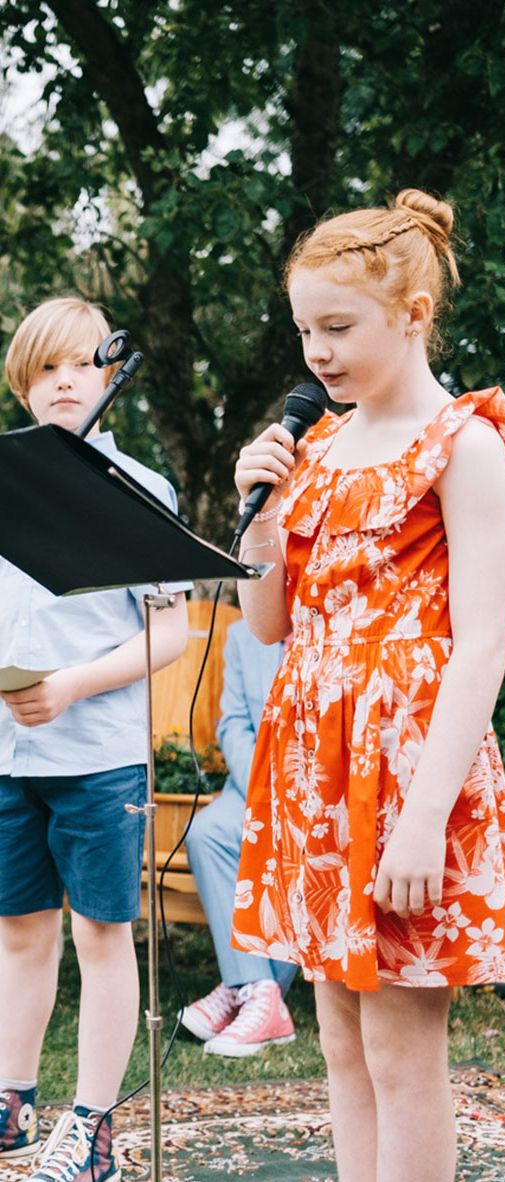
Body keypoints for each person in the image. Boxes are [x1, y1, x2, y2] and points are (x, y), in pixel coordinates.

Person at [230, 189, 505, 1182]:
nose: (316, 351)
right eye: (304, 328)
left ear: (411, 313)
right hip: (315, 776)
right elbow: (270, 625)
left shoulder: (464, 444)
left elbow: (481, 645)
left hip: (409, 782)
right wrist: (260, 519)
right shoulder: (315, 448)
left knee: (403, 1058)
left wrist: (420, 819)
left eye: (337, 327)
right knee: (343, 1050)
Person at [0, 297, 191, 1182]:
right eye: (46, 366)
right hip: (9, 757)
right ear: (21, 383)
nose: (65, 380)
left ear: (112, 373)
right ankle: (12, 1101)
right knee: (17, 934)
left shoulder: (139, 489)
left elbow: (171, 633)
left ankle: (92, 1128)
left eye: (82, 362)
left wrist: (72, 686)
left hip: (101, 755)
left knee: (101, 936)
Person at [182, 617, 296, 1056]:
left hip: (322, 787)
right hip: (254, 785)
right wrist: (263, 791)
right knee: (207, 833)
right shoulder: (242, 636)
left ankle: (243, 989)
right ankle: (259, 990)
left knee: (310, 843)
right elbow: (233, 724)